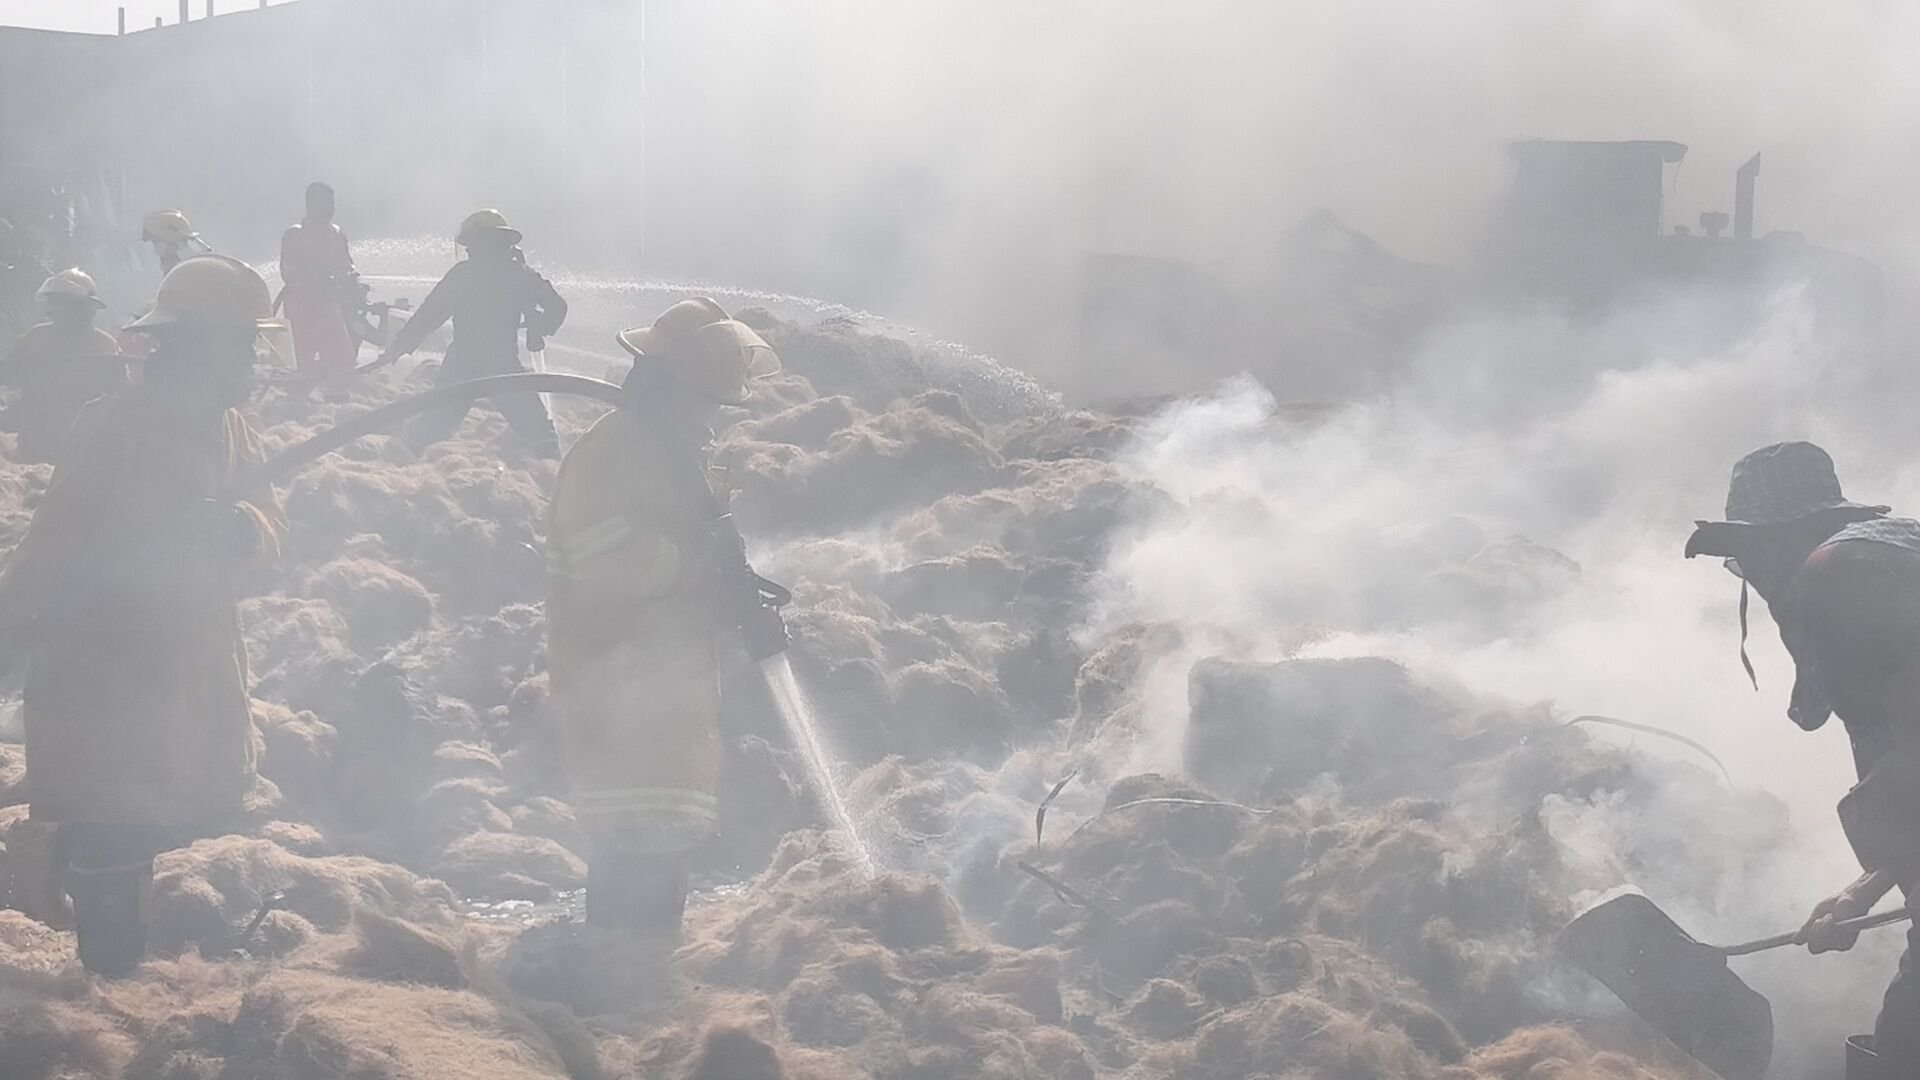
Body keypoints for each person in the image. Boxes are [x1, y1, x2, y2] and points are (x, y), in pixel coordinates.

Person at [0, 253, 286, 977]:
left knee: (172, 815)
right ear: (193, 342)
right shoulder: (118, 423)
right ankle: (108, 977)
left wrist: (242, 531)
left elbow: (272, 532)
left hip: (193, 669)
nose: (251, 356)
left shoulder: (235, 429)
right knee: (112, 825)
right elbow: (56, 541)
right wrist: (12, 624)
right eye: (240, 341)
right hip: (108, 668)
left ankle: (135, 963)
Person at [545, 298, 781, 936]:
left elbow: (693, 544)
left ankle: (640, 978)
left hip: (665, 692)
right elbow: (605, 554)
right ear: (668, 387)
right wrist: (699, 570)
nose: (712, 421)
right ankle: (617, 986)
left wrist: (738, 593)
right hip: (617, 683)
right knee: (634, 844)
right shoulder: (617, 449)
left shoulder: (676, 452)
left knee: (665, 839)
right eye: (706, 404)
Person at [1685, 441, 1920, 1078]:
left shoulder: (1836, 578)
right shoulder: (1896, 551)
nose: (1752, 578)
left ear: (1777, 540)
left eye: (1745, 556)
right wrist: (1862, 890)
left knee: (1906, 1047)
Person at [379, 209, 566, 455]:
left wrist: (400, 345)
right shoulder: (520, 275)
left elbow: (427, 317)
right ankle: (554, 476)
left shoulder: (463, 275)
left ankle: (401, 460)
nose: (471, 251)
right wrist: (540, 326)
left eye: (473, 245)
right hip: (501, 367)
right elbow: (557, 307)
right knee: (541, 434)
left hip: (464, 365)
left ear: (480, 242)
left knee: (432, 426)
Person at [0, 269, 126, 463]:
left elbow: (118, 397)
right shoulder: (36, 339)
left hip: (82, 448)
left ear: (83, 308)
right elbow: (8, 374)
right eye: (54, 302)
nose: (56, 308)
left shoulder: (105, 346)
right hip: (34, 442)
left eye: (62, 303)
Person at [279, 182, 359, 401]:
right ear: (310, 204)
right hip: (301, 309)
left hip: (330, 307)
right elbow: (289, 272)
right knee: (303, 363)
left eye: (332, 203)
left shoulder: (337, 234)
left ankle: (336, 397)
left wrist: (352, 278)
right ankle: (294, 405)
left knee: (344, 358)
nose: (330, 209)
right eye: (325, 203)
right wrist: (315, 278)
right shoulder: (295, 235)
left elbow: (347, 263)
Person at [140, 209, 206, 276]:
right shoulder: (197, 265)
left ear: (171, 242)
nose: (155, 251)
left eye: (155, 242)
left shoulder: (189, 272)